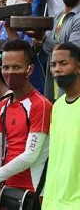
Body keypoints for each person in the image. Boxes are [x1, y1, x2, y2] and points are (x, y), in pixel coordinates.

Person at [0, 40, 52, 193]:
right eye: (6, 67)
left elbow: (31, 155)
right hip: (5, 188)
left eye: (16, 67)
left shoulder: (41, 105)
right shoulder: (2, 105)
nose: (10, 72)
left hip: (31, 192)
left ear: (30, 69)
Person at [42, 42, 80, 209]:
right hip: (53, 203)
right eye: (53, 65)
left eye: (63, 63)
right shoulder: (56, 107)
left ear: (78, 67)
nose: (57, 69)